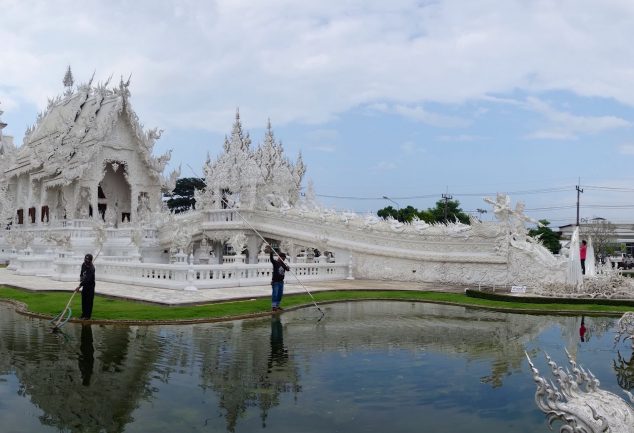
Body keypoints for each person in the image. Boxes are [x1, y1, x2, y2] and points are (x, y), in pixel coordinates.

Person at [266, 245, 290, 311]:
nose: (283, 259)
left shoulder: (283, 264)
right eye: (282, 258)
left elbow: (287, 269)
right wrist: (271, 251)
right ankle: (274, 306)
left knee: (280, 294)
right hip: (275, 282)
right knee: (275, 294)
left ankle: (277, 305)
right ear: (279, 257)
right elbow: (271, 259)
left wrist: (288, 267)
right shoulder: (276, 263)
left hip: (281, 282)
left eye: (284, 258)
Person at [75, 253, 96, 319]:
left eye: (87, 259)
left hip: (90, 286)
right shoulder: (83, 265)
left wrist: (80, 286)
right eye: (85, 259)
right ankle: (83, 314)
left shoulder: (91, 268)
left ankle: (87, 316)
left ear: (90, 260)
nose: (86, 260)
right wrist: (81, 279)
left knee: (89, 301)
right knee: (84, 300)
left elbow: (88, 279)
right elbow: (81, 274)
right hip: (85, 286)